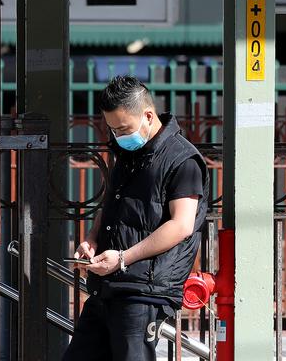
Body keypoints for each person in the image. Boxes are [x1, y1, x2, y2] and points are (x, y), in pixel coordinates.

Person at [63, 76, 208, 361]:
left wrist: (124, 257)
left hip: (144, 288)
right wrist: (92, 240)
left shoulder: (183, 159)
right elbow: (111, 204)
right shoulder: (128, 155)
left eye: (123, 128)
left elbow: (181, 226)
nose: (118, 136)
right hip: (109, 286)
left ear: (148, 116)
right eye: (113, 129)